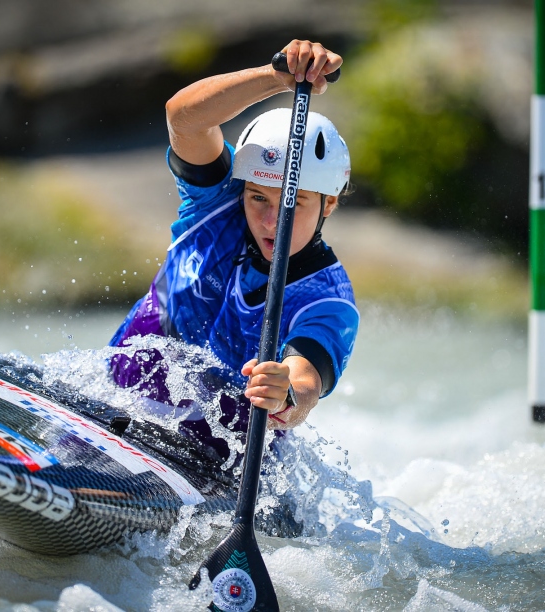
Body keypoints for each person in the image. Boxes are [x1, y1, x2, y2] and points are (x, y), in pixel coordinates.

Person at [109, 40, 358, 461]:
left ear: (328, 204)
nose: (269, 221)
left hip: (214, 464)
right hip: (117, 408)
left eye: (293, 204)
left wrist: (284, 396)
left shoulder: (328, 300)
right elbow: (183, 118)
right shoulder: (214, 203)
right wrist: (277, 76)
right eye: (258, 197)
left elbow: (307, 382)